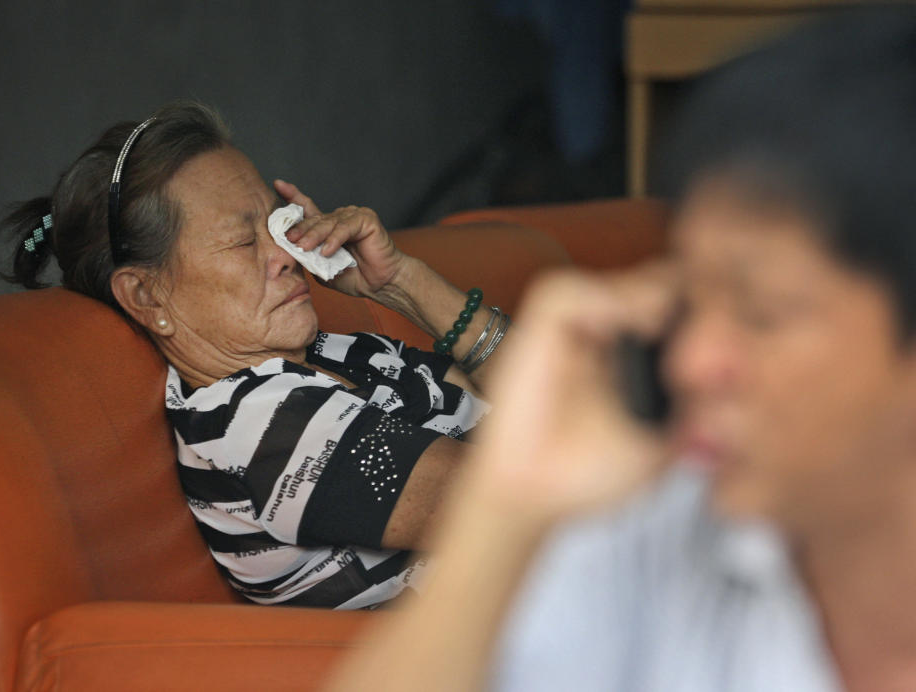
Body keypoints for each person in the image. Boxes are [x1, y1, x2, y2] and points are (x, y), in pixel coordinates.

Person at [326, 6, 916, 690]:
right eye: (690, 303)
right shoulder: (657, 529)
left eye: (760, 314)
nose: (691, 362)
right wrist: (504, 509)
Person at [0, 101, 510, 609]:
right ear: (148, 297)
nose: (286, 254)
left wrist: (401, 282)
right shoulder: (260, 424)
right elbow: (543, 494)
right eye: (245, 242)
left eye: (277, 225)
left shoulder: (334, 355)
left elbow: (562, 414)